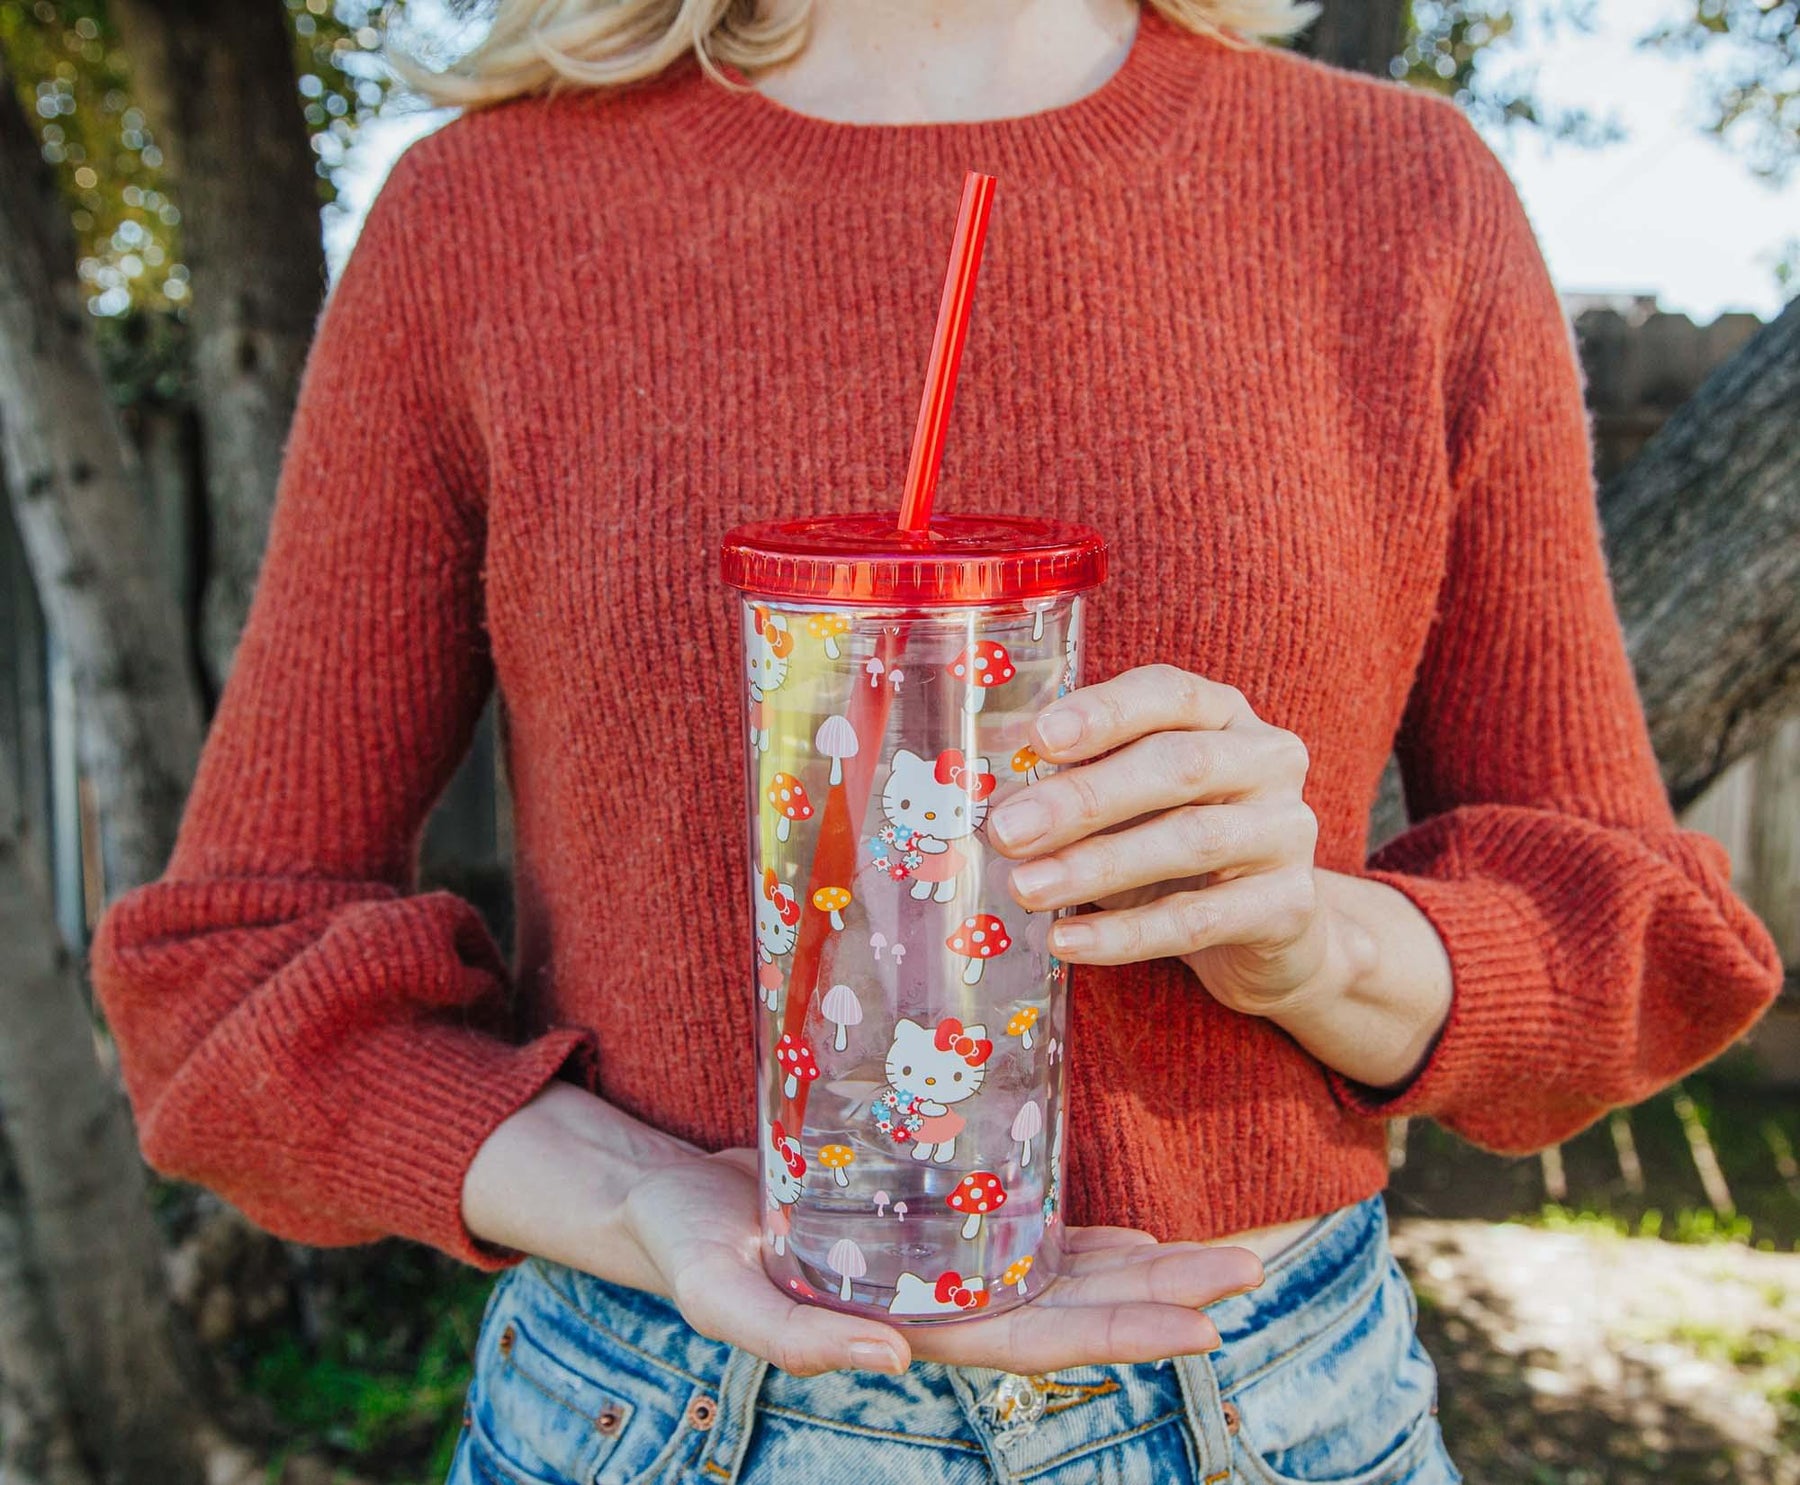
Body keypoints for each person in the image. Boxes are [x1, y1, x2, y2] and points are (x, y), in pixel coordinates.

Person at [90, 0, 1785, 1480]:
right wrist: (636, 1202)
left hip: (1264, 1407)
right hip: (659, 1417)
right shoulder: (486, 215)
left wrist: (1311, 935)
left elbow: (1634, 938)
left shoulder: (1403, 197)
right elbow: (233, 968)